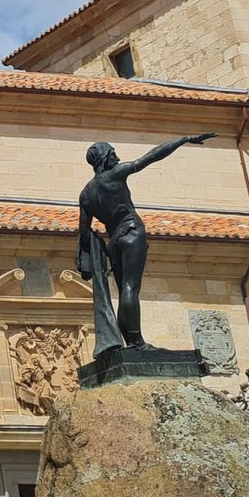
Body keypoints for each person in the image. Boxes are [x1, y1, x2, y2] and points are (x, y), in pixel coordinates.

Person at [77, 134, 214, 356]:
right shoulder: (116, 173)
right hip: (132, 230)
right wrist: (184, 140)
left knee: (124, 289)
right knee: (131, 288)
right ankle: (138, 342)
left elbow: (84, 231)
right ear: (104, 157)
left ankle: (132, 341)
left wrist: (94, 251)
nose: (117, 157)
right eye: (113, 154)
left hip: (113, 242)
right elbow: (150, 157)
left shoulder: (85, 194)